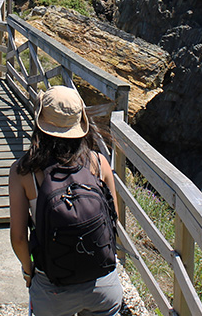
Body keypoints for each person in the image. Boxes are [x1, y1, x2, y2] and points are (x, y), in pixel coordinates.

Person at [9, 86, 123, 316]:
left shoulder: (24, 172)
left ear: (40, 123)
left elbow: (19, 237)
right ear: (80, 122)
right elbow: (114, 221)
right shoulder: (99, 163)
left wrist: (29, 272)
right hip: (102, 284)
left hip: (53, 289)